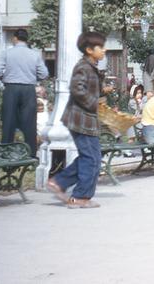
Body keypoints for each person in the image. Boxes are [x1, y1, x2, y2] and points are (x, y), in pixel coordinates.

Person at [46, 32, 110, 208]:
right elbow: (77, 89)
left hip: (85, 120)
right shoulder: (83, 66)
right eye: (101, 47)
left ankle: (59, 182)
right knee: (91, 159)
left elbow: (87, 89)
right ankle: (80, 196)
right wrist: (94, 102)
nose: (104, 50)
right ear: (89, 50)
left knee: (90, 157)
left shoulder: (91, 66)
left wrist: (102, 91)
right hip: (80, 120)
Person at [0, 29, 49, 156]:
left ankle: (6, 153)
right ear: (26, 39)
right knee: (29, 123)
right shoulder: (34, 54)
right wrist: (32, 77)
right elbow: (44, 74)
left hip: (11, 88)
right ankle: (31, 154)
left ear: (15, 38)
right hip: (29, 89)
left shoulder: (7, 53)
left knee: (8, 122)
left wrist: (5, 77)